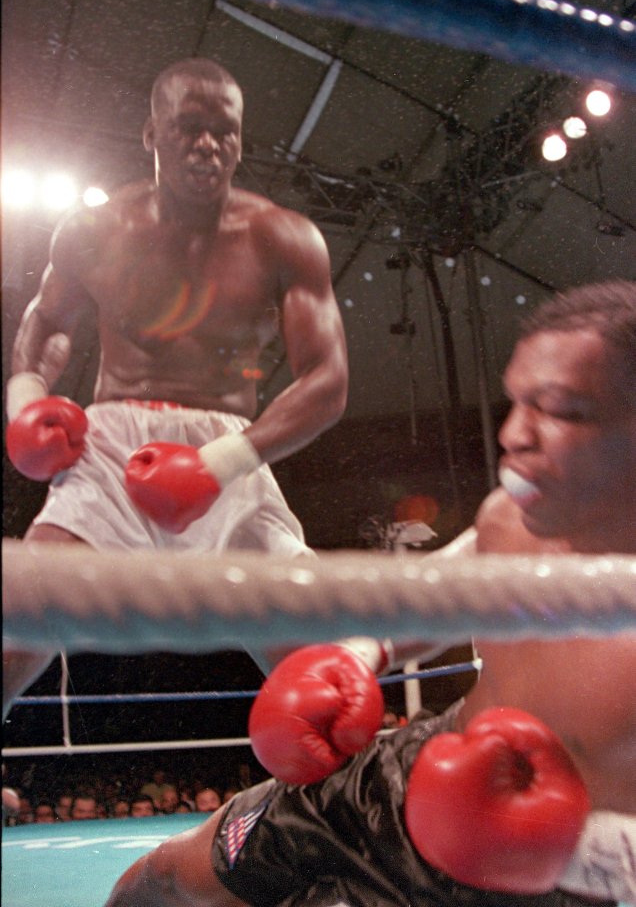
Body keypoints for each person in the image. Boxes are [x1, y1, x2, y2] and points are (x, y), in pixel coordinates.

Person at [103, 280, 636, 907]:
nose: (516, 434)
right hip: (407, 774)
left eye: (563, 410)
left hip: (546, 879)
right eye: (518, 401)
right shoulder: (510, 513)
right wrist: (359, 655)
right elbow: (445, 591)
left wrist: (576, 852)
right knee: (163, 879)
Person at [3, 56, 348, 716]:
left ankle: (354, 805)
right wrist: (25, 398)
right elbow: (46, 319)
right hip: (111, 446)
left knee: (316, 674)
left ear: (242, 139)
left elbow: (328, 382)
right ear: (150, 134)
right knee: (24, 612)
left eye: (224, 131)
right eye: (189, 127)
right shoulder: (96, 230)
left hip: (228, 447)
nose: (207, 145)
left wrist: (220, 465)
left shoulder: (281, 238)